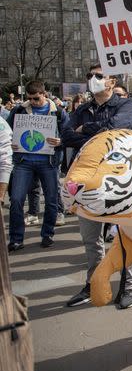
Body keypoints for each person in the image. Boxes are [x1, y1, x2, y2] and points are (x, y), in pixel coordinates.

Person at [62, 64, 132, 308]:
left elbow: (120, 127)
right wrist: (98, 132)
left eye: (99, 76)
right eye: (89, 76)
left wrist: (87, 129)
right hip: (87, 180)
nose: (93, 80)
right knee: (90, 238)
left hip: (118, 179)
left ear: (111, 81)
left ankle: (130, 285)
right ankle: (94, 283)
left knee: (124, 234)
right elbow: (66, 135)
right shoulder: (83, 109)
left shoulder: (126, 105)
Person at [6, 80, 67, 251]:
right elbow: (7, 132)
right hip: (23, 163)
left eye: (36, 98)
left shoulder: (59, 113)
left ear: (44, 95)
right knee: (17, 199)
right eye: (30, 98)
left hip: (48, 163)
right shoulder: (19, 110)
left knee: (51, 199)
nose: (33, 102)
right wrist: (11, 142)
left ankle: (47, 233)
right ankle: (16, 238)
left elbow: (68, 135)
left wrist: (60, 141)